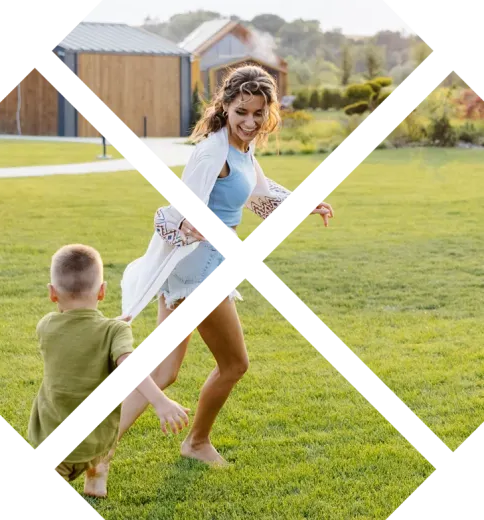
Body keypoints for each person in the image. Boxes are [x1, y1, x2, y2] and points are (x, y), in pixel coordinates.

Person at [117, 64, 334, 467]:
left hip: (206, 265)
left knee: (164, 371)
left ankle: (99, 452)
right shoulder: (212, 151)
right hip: (200, 269)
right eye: (241, 112)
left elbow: (259, 193)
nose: (250, 122)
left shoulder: (241, 148)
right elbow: (172, 212)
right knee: (234, 364)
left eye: (258, 113)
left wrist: (305, 204)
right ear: (225, 107)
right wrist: (184, 222)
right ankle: (196, 443)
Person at [27, 243, 191, 497]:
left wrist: (110, 328)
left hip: (53, 438)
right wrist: (160, 401)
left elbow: (79, 334)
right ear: (102, 291)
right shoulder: (114, 331)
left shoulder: (45, 326)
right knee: (99, 449)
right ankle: (96, 477)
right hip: (98, 438)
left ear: (52, 293)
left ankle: (94, 475)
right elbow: (128, 364)